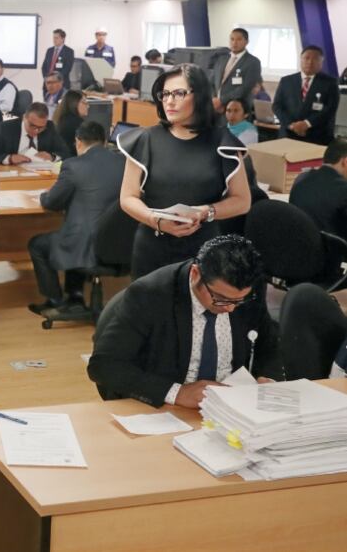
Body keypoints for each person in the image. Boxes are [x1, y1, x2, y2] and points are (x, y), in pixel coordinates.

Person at [87, 235, 278, 408]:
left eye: (238, 300)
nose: (230, 308)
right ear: (195, 274)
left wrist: (266, 376)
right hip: (169, 408)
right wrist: (177, 392)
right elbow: (104, 366)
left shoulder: (248, 290)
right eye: (220, 298)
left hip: (230, 406)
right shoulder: (151, 295)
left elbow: (268, 345)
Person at [118, 63, 252, 280]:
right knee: (148, 310)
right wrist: (156, 220)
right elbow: (127, 197)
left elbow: (242, 200)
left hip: (204, 249)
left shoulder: (222, 143)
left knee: (196, 312)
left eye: (179, 93)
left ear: (199, 96)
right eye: (165, 94)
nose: (170, 101)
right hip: (152, 246)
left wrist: (205, 212)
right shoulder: (145, 139)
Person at [28, 121, 124, 315]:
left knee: (38, 244)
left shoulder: (73, 166)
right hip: (121, 246)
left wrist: (43, 195)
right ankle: (75, 295)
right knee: (75, 230)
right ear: (105, 141)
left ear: (78, 142)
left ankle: (54, 300)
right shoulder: (124, 163)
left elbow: (51, 203)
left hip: (86, 245)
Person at [272, 45, 340, 145]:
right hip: (288, 134)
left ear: (321, 62)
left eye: (315, 59)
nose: (310, 62)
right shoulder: (286, 81)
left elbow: (330, 109)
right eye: (306, 58)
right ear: (301, 59)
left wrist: (306, 124)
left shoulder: (330, 83)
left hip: (317, 137)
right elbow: (277, 106)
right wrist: (291, 125)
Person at [289, 137, 347, 241]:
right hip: (330, 253)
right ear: (345, 162)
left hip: (297, 248)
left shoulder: (301, 180)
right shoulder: (343, 190)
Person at [0, 102, 71, 164]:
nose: (36, 131)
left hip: (40, 174)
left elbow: (65, 153)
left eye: (41, 127)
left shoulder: (50, 127)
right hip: (12, 172)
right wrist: (9, 158)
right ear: (24, 117)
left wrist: (52, 156)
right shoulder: (5, 129)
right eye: (32, 126)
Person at [212, 27, 261, 114]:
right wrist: (214, 100)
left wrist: (221, 101)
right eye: (232, 39)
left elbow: (245, 88)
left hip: (238, 110)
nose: (234, 42)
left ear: (246, 42)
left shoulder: (253, 62)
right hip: (216, 108)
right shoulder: (221, 59)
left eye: (239, 39)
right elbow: (212, 82)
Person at [53, 90, 89, 157]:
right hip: (73, 159)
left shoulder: (62, 118)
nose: (88, 106)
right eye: (84, 103)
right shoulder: (76, 122)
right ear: (74, 103)